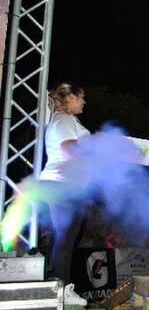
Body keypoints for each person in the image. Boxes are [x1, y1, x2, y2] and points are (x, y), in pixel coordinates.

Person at [39, 83, 89, 295]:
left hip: (60, 184)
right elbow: (69, 148)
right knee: (66, 239)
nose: (84, 102)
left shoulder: (63, 120)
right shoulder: (64, 118)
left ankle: (56, 287)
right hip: (64, 184)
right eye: (81, 97)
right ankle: (63, 290)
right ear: (71, 98)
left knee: (62, 238)